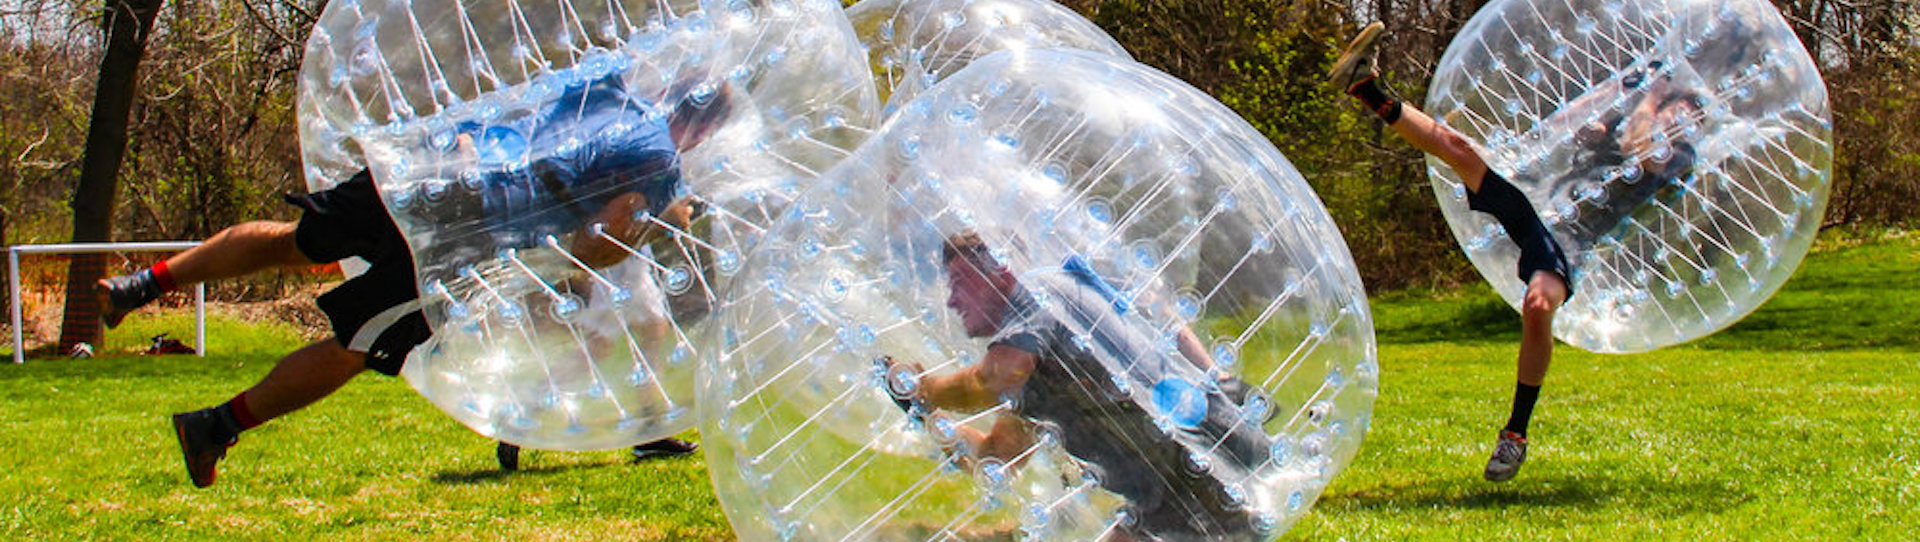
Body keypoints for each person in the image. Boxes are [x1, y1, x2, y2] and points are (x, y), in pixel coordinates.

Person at [101, 74, 730, 488]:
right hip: (469, 231)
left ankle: (141, 285)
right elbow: (589, 247)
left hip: (430, 169)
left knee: (295, 242)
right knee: (362, 344)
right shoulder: (659, 161)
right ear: (702, 130)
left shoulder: (603, 88)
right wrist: (656, 218)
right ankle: (216, 425)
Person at [880, 232, 1272, 541]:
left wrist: (927, 388)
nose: (951, 300)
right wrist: (925, 414)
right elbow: (996, 459)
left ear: (1001, 272)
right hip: (1168, 496)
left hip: (1208, 464)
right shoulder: (1042, 367)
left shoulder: (1041, 298)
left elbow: (994, 377)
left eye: (961, 282)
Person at [1329, 22, 1588, 482]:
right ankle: (1364, 86)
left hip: (1570, 237)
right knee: (1458, 149)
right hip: (1537, 199)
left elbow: (1643, 165)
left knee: (1537, 305)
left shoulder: (1674, 151)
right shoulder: (1633, 103)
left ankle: (1516, 434)